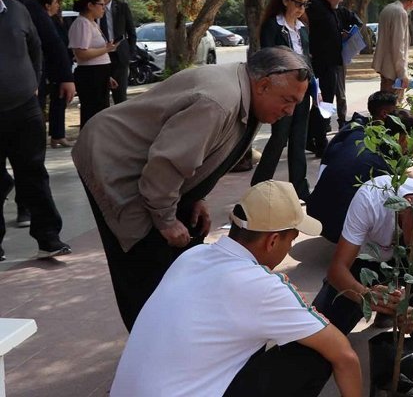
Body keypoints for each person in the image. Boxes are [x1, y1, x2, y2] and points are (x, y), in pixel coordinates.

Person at [72, 46, 310, 331]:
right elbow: (165, 165)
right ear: (262, 84)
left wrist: (197, 197)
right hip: (114, 160)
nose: (290, 110)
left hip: (151, 169)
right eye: (287, 100)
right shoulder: (218, 102)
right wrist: (166, 219)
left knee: (186, 253)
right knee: (144, 258)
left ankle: (181, 331)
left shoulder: (248, 97)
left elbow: (202, 153)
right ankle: (154, 346)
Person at [111, 180, 362, 397]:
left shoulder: (193, 255)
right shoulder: (262, 286)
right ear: (273, 240)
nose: (289, 247)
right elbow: (345, 356)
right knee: (315, 355)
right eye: (291, 239)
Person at [312, 178, 413, 380]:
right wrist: (365, 295)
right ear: (408, 206)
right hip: (368, 263)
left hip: (412, 272)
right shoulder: (372, 199)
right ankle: (384, 306)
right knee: (321, 328)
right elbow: (337, 269)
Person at [0, 0, 71, 260]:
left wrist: (34, 84)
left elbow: (37, 47)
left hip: (24, 108)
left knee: (34, 173)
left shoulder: (19, 11)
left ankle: (48, 238)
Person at [306, 93, 408, 243]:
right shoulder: (381, 154)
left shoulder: (352, 130)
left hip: (315, 212)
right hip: (339, 228)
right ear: (385, 114)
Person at [252, 0, 316, 200]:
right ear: (285, 1)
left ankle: (300, 189)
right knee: (279, 138)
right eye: (298, 3)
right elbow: (269, 59)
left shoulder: (303, 29)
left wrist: (316, 87)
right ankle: (258, 187)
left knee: (299, 139)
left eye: (305, 5)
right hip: (282, 92)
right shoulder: (273, 26)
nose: (301, 9)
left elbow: (308, 58)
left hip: (303, 90)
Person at [68, 0, 119, 127]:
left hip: (99, 72)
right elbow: (81, 54)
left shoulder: (93, 23)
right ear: (90, 5)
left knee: (101, 112)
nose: (104, 9)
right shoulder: (82, 23)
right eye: (101, 5)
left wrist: (107, 76)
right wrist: (106, 49)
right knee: (93, 113)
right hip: (90, 75)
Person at [35, 0, 75, 148]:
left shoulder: (56, 21)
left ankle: (58, 135)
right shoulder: (42, 23)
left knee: (59, 101)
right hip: (47, 69)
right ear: (47, 5)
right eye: (55, 2)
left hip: (60, 68)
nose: (58, 5)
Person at [307, 0, 348, 128]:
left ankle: (318, 132)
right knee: (324, 101)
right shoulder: (316, 8)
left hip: (331, 63)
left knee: (327, 100)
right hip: (322, 63)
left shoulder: (329, 9)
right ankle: (319, 135)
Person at [93, 0, 137, 104]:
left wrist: (129, 54)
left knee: (121, 98)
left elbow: (131, 32)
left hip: (119, 57)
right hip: (100, 56)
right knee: (101, 98)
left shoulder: (122, 7)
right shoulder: (92, 8)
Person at [372, 0, 413, 97]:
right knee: (392, 105)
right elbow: (398, 45)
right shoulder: (400, 13)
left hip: (384, 65)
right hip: (392, 69)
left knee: (383, 101)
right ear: (412, 1)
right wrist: (402, 74)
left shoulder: (387, 9)